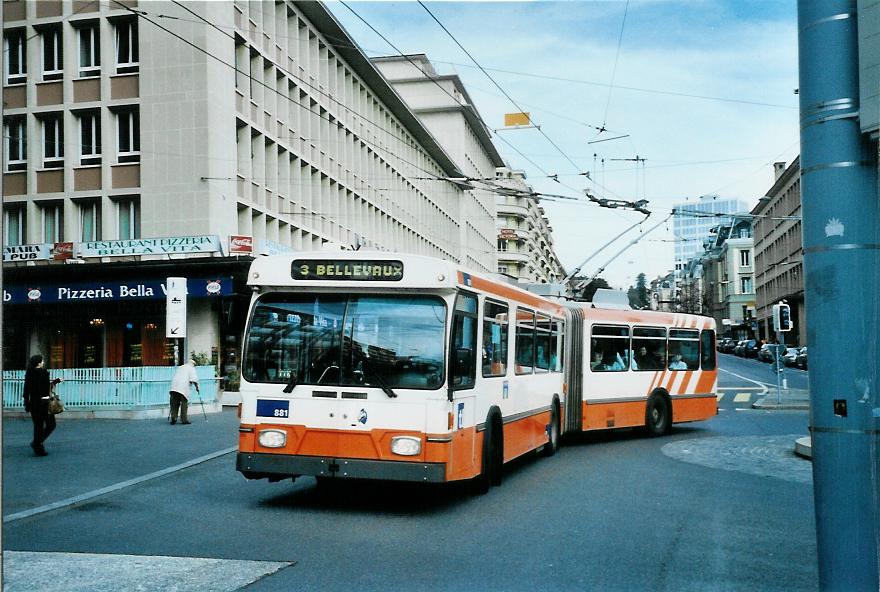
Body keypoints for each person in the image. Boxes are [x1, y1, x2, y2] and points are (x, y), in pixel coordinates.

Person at [23, 354, 62, 456]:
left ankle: (38, 446)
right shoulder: (44, 373)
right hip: (44, 403)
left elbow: (26, 390)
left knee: (38, 426)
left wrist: (26, 403)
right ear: (39, 363)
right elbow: (46, 388)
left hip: (34, 404)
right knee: (51, 424)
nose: (43, 362)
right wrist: (56, 381)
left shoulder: (29, 373)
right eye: (42, 361)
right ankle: (37, 443)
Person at [169, 358, 200, 425]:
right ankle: (184, 420)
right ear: (194, 364)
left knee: (174, 403)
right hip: (183, 388)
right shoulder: (191, 369)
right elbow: (194, 380)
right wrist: (197, 388)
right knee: (184, 403)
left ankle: (173, 418)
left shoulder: (181, 367)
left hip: (174, 386)